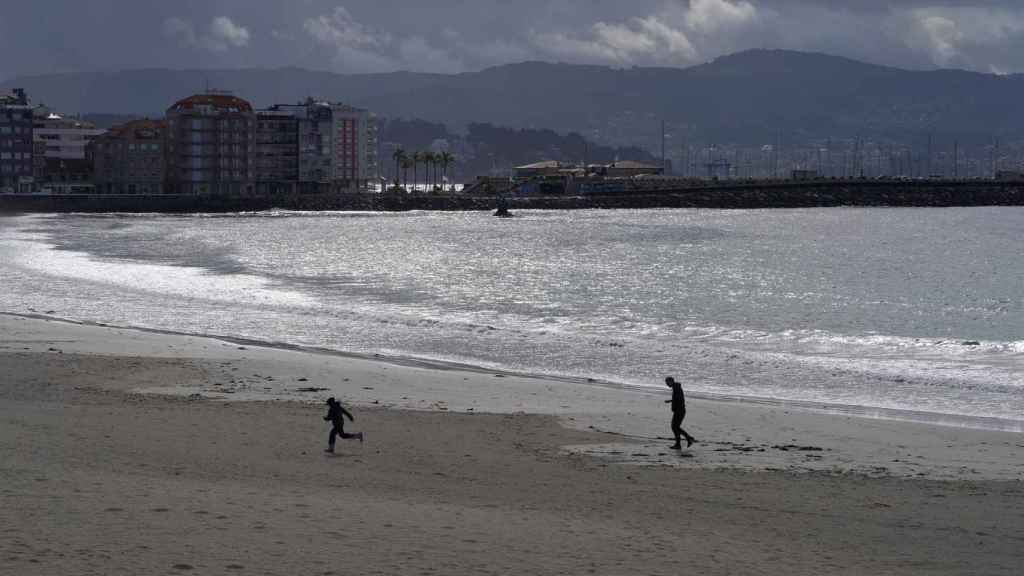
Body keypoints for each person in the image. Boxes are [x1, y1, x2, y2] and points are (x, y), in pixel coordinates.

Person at [664, 376, 696, 449]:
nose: (666, 384)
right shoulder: (676, 387)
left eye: (667, 382)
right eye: (666, 383)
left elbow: (679, 399)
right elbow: (678, 398)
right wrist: (671, 401)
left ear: (671, 381)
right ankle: (683, 441)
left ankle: (687, 439)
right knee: (675, 427)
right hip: (679, 410)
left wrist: (674, 404)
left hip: (679, 411)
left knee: (674, 427)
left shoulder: (676, 388)